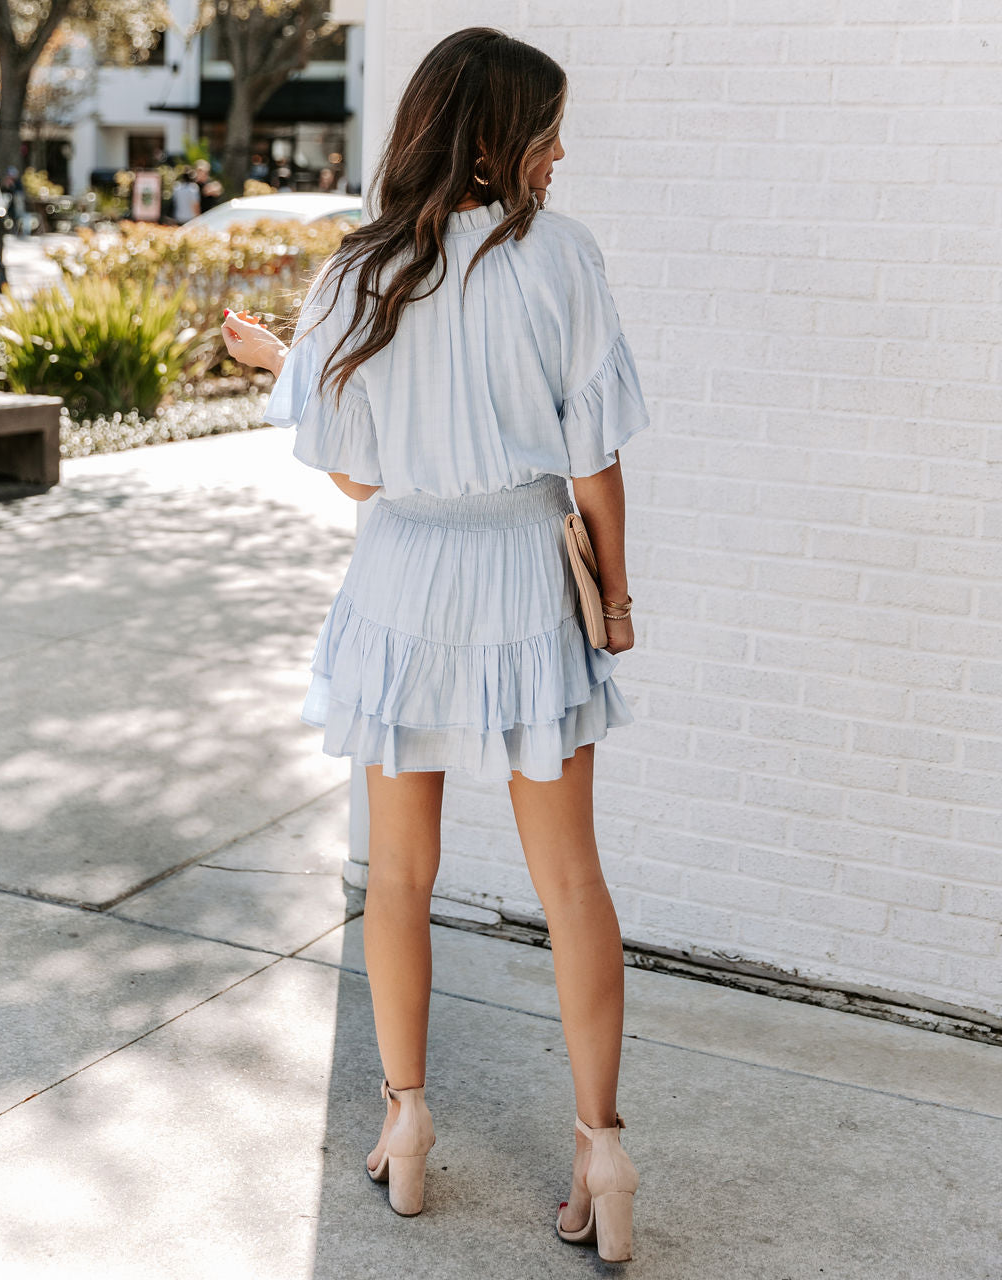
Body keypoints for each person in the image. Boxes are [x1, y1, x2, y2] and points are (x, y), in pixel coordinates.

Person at [221, 26, 650, 1264]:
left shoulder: (357, 273)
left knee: (397, 874)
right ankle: (601, 1146)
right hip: (526, 567)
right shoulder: (562, 259)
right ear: (494, 135)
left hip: (403, 572)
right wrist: (614, 602)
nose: (559, 152)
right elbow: (596, 466)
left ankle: (405, 1127)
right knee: (571, 877)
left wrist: (287, 364)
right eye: (546, 129)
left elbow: (357, 479)